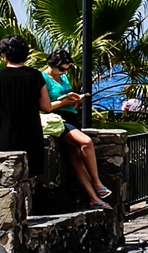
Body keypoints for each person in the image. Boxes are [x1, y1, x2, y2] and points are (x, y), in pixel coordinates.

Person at [42, 50, 112, 209]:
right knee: (86, 142)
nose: (64, 72)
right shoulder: (43, 78)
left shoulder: (63, 77)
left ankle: (94, 199)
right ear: (50, 65)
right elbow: (45, 106)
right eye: (61, 69)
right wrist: (64, 102)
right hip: (58, 119)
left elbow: (67, 98)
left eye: (66, 69)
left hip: (71, 116)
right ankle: (97, 183)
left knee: (77, 160)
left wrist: (75, 100)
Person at [0, 35, 51, 178]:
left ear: (5, 54)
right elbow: (46, 106)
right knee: (30, 177)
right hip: (31, 134)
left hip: (3, 135)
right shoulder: (35, 76)